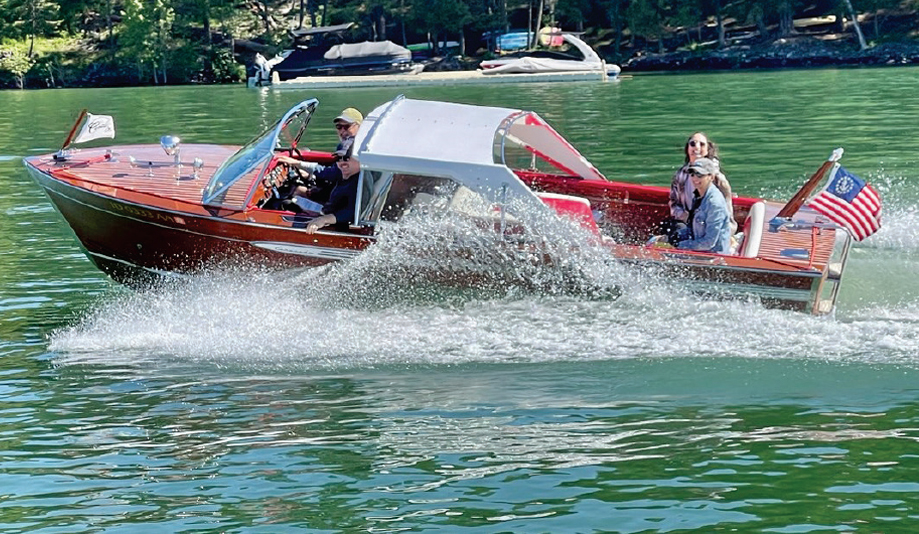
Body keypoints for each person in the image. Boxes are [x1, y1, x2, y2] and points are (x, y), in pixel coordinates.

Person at [276, 107, 364, 205]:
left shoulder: (355, 149)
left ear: (359, 127)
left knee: (290, 198)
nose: (342, 131)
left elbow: (333, 174)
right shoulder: (348, 145)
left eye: (346, 127)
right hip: (341, 189)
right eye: (339, 127)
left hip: (344, 198)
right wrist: (308, 173)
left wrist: (297, 163)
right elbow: (335, 171)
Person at [660, 132, 736, 243]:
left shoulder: (717, 178)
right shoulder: (680, 176)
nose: (697, 147)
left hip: (711, 224)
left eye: (702, 144)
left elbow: (726, 210)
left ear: (708, 149)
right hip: (687, 221)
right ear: (687, 148)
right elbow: (673, 202)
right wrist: (684, 216)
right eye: (693, 144)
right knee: (668, 227)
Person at [305, 138, 373, 233]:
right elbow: (327, 173)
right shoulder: (348, 174)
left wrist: (323, 220)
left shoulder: (359, 183)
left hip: (340, 225)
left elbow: (352, 212)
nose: (341, 163)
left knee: (286, 203)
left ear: (359, 159)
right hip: (327, 211)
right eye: (338, 159)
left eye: (346, 158)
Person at [667, 157, 732, 254]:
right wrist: (676, 238)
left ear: (711, 177)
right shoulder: (698, 195)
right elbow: (693, 230)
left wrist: (679, 246)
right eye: (692, 174)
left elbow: (709, 243)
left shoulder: (714, 204)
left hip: (713, 257)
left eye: (700, 175)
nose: (695, 178)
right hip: (699, 250)